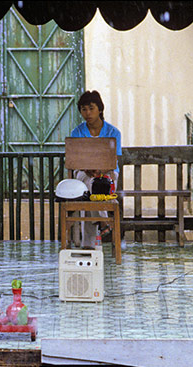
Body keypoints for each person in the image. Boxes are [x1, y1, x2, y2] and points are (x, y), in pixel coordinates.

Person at [68, 90, 122, 248]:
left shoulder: (113, 133)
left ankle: (88, 246)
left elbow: (114, 159)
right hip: (83, 173)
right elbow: (75, 159)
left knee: (92, 190)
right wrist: (87, 168)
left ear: (100, 109)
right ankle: (103, 221)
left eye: (91, 108)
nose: (87, 113)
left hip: (108, 173)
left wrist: (101, 170)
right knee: (91, 183)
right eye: (83, 109)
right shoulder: (77, 132)